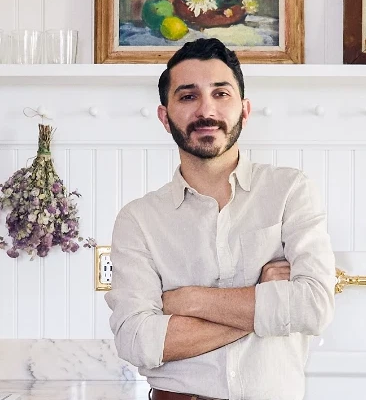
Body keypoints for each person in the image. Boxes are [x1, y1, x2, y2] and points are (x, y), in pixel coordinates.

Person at [105, 38, 336, 400]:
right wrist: (263, 299)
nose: (206, 110)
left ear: (244, 110)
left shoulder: (290, 191)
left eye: (221, 93)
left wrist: (189, 300)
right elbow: (137, 341)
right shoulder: (138, 220)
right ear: (165, 118)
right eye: (187, 96)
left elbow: (313, 307)